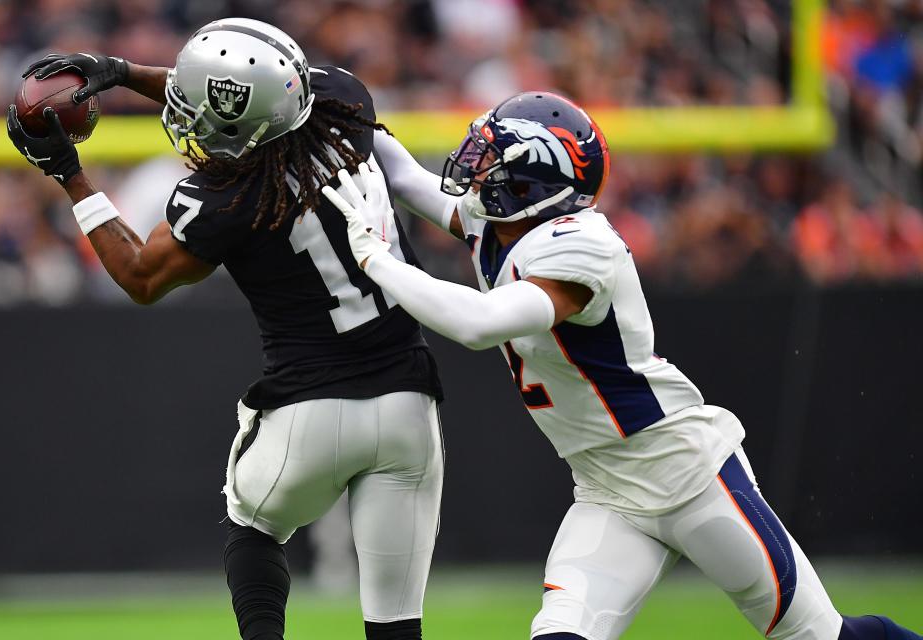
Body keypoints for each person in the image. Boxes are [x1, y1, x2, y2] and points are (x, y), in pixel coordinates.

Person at [323, 91, 923, 640]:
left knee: (822, 637)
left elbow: (478, 324)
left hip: (685, 473)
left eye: (493, 158)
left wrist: (373, 255)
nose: (476, 169)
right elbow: (402, 173)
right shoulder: (499, 221)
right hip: (605, 488)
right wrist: (335, 105)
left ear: (534, 181)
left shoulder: (582, 245)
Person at [7, 18, 447, 640]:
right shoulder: (344, 104)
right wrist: (126, 73)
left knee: (254, 526)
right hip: (409, 398)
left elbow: (140, 276)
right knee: (395, 622)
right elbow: (248, 102)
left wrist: (69, 174)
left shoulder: (225, 199)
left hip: (310, 408)